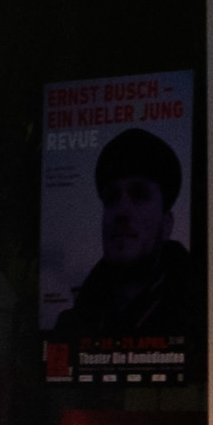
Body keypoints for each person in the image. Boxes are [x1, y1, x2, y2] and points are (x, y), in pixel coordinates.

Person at [53, 126, 202, 338]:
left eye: (139, 195)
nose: (121, 211)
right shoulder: (72, 327)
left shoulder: (202, 317)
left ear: (166, 224)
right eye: (112, 198)